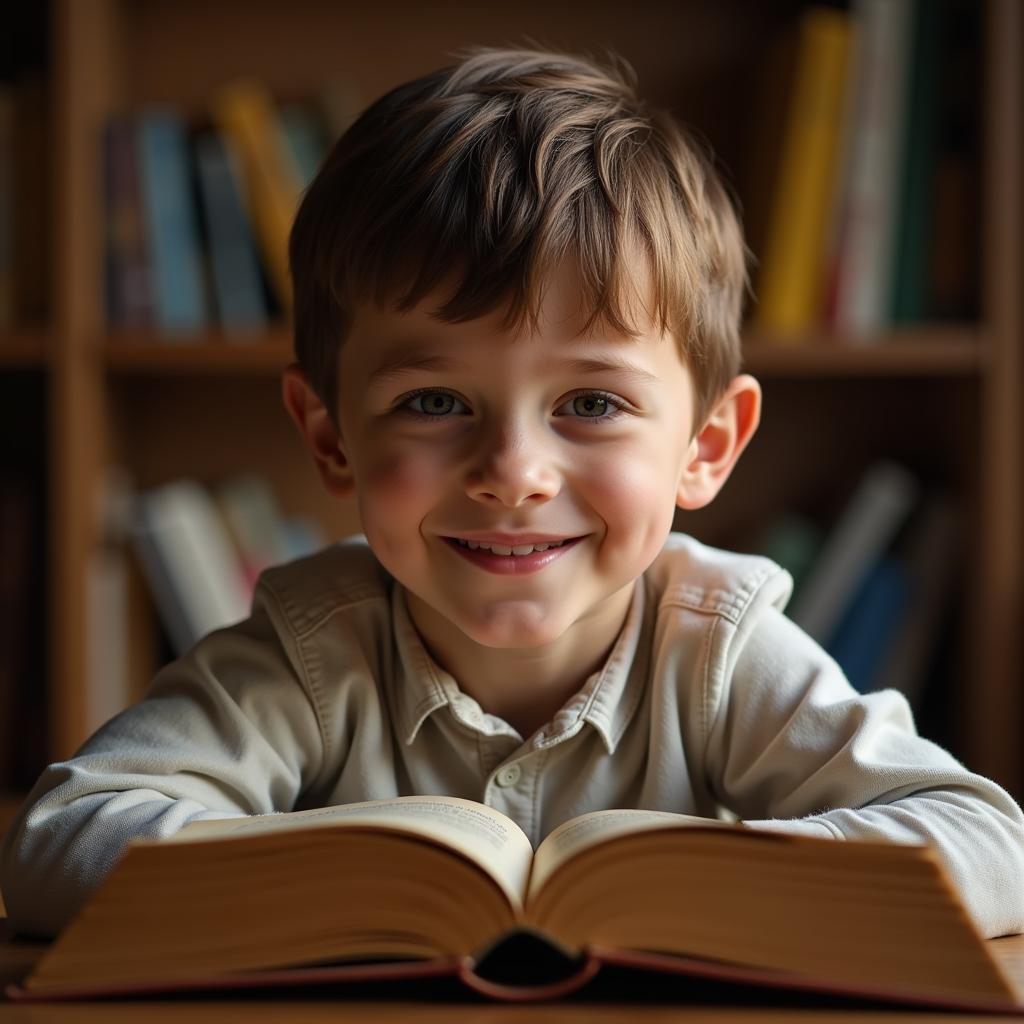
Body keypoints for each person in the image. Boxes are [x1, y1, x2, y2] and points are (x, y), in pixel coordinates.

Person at [4, 46, 1023, 940]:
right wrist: (345, 883)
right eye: (435, 398)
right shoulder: (313, 651)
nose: (514, 471)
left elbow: (986, 844)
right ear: (330, 437)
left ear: (706, 445)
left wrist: (711, 887)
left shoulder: (716, 647)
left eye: (589, 401)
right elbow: (58, 840)